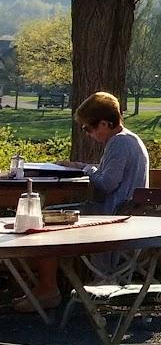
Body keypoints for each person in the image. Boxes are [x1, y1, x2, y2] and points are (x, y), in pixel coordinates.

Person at [15, 91, 149, 314]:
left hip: (110, 216)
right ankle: (46, 287)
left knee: (43, 217)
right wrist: (80, 166)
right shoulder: (130, 140)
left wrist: (87, 169)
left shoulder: (118, 143)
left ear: (105, 123)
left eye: (89, 128)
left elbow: (107, 184)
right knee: (47, 215)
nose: (87, 134)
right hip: (124, 214)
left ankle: (47, 290)